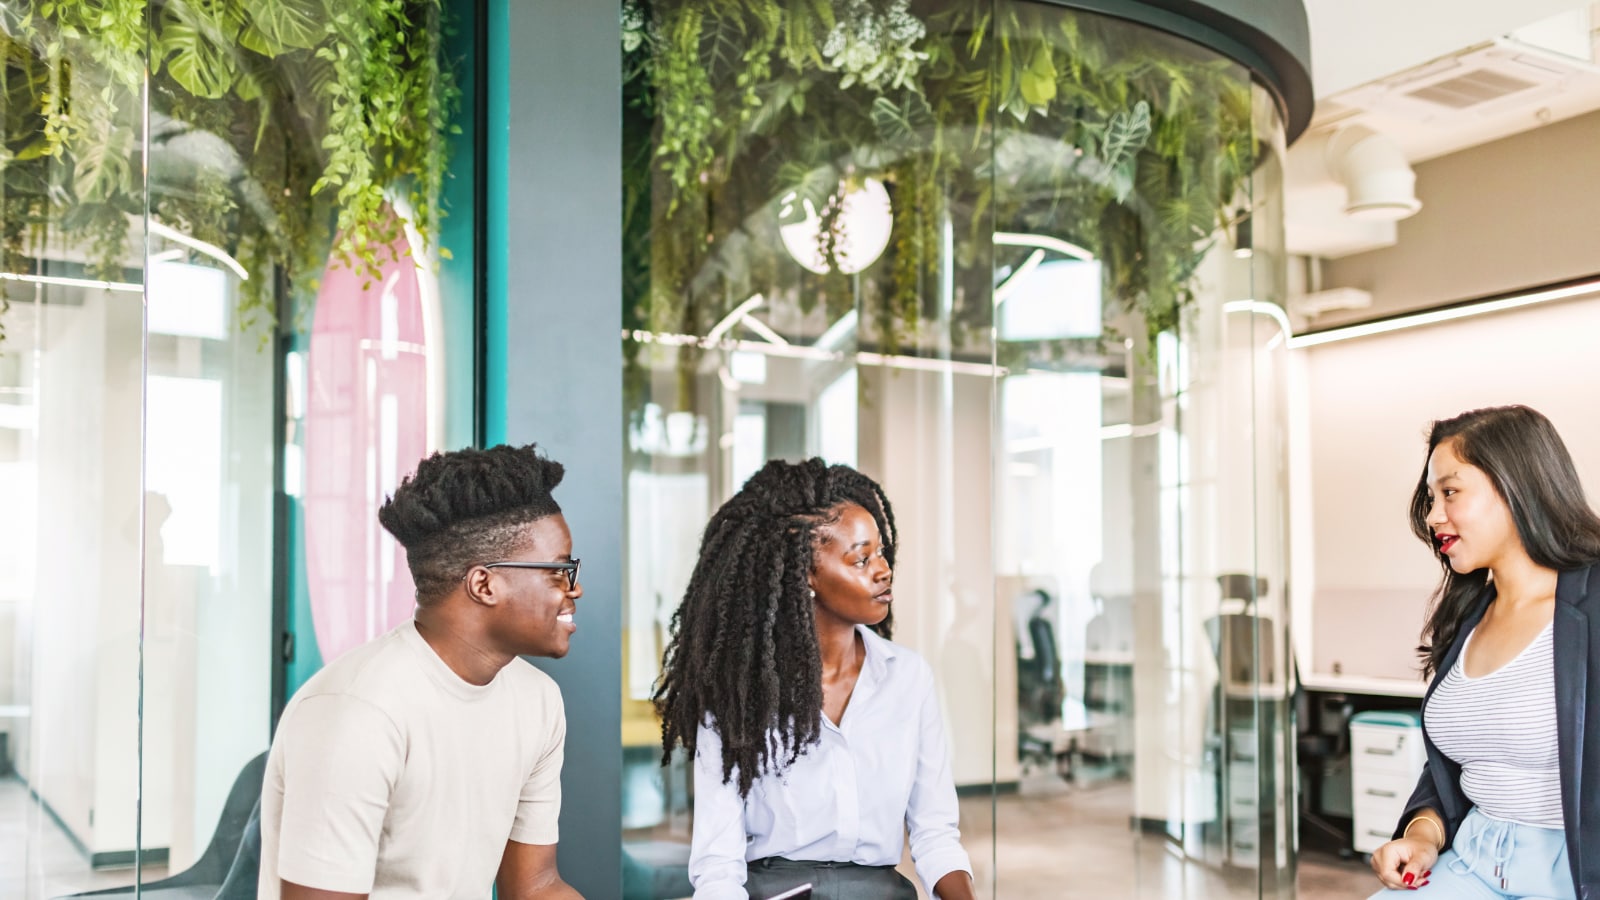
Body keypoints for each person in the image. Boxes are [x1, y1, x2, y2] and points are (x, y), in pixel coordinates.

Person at [258, 444, 585, 900]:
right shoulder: (356, 712)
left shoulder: (538, 700)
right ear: (484, 584)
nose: (576, 588)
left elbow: (536, 886)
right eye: (558, 571)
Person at [653, 458, 975, 900]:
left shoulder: (909, 679)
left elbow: (935, 832)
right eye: (861, 559)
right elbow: (719, 866)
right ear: (805, 573)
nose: (883, 570)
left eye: (881, 552)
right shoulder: (738, 693)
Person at [1369, 406, 1600, 898]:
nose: (1433, 516)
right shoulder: (1467, 616)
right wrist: (1422, 836)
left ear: (1517, 484)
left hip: (1573, 874)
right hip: (1472, 860)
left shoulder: (1592, 603)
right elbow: (1452, 770)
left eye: (1450, 492)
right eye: (1432, 498)